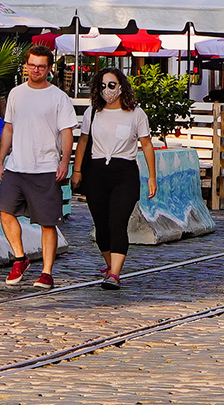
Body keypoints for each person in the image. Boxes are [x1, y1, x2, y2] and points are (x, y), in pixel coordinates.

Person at [0, 44, 74, 288]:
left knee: (46, 221)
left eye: (41, 66)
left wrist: (64, 160)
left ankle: (47, 272)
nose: (36, 70)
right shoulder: (16, 94)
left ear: (49, 68)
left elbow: (67, 132)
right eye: (32, 65)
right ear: (26, 66)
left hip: (46, 167)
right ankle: (20, 258)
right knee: (5, 210)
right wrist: (1, 159)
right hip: (17, 166)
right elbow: (8, 127)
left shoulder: (58, 98)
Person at [72, 67, 156, 289]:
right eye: (102, 86)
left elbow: (146, 145)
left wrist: (152, 177)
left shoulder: (136, 114)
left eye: (111, 85)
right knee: (102, 226)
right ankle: (111, 266)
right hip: (97, 172)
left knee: (117, 222)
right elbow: (82, 143)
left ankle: (115, 274)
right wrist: (77, 170)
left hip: (124, 172)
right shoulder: (93, 113)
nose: (107, 90)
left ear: (121, 86)